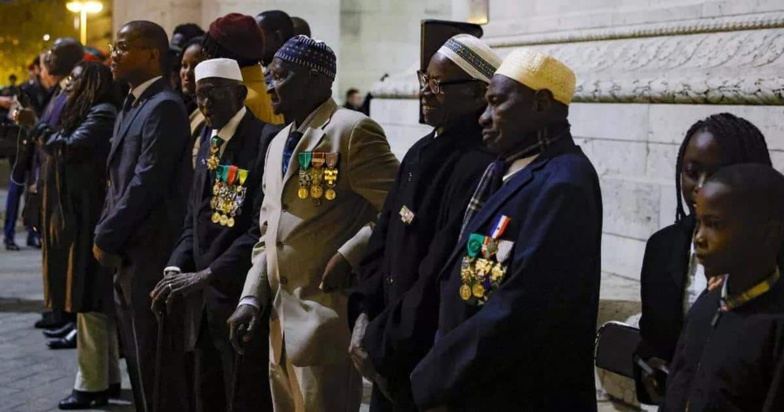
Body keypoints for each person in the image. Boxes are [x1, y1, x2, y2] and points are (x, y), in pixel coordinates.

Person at [409, 49, 602, 411]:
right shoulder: (505, 169)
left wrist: (436, 374)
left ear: (541, 103)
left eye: (496, 103)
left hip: (518, 392)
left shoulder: (564, 183)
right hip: (475, 384)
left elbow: (522, 306)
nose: (483, 118)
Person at [226, 35, 399, 412]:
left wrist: (351, 253)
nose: (270, 85)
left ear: (317, 81)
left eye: (281, 76)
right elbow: (268, 233)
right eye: (268, 76)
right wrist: (251, 297)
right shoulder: (277, 142)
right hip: (278, 323)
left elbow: (398, 209)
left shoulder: (352, 130)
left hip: (325, 318)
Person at [348, 34, 499, 412]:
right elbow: (382, 238)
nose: (425, 93)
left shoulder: (479, 164)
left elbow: (439, 269)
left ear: (478, 93)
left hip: (420, 350)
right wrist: (365, 311)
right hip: (386, 336)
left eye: (438, 85)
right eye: (424, 80)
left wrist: (386, 341)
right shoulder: (419, 151)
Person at [150, 58, 280, 412]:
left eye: (213, 94)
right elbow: (196, 215)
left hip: (238, 293)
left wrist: (208, 275)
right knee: (205, 393)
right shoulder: (209, 136)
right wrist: (176, 269)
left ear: (239, 93)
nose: (204, 104)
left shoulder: (266, 141)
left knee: (243, 394)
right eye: (198, 95)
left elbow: (259, 230)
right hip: (202, 298)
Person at [635, 112, 780, 404]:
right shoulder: (664, 248)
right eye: (691, 171)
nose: (700, 186)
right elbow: (655, 338)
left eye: (716, 174)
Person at [93, 20, 191, 412]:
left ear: (152, 54)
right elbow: (115, 181)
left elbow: (146, 182)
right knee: (136, 359)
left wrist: (106, 235)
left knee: (156, 367)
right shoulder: (134, 103)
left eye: (122, 47)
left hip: (150, 253)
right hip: (128, 255)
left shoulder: (164, 107)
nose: (112, 55)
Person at [31, 60, 122, 409]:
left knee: (89, 301)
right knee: (92, 304)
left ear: (92, 84)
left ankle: (91, 385)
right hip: (80, 217)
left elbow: (68, 147)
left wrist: (35, 127)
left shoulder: (101, 113)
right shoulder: (93, 111)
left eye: (75, 79)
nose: (68, 84)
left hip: (88, 219)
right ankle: (107, 377)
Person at [662, 164, 784, 411]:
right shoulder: (706, 307)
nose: (699, 238)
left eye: (714, 225)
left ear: (767, 235)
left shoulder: (776, 326)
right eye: (699, 223)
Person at [14, 38, 84, 330]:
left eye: (53, 54)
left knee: (62, 254)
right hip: (45, 180)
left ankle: (65, 313)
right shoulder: (59, 90)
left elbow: (62, 138)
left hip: (62, 186)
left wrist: (33, 124)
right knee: (51, 253)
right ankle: (56, 308)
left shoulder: (73, 91)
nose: (47, 59)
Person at [203, 13, 284, 125]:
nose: (205, 60)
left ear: (220, 57)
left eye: (208, 53)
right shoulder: (266, 92)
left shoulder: (238, 101)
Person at [179, 36, 207, 169]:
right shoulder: (187, 105)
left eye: (196, 66)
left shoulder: (210, 113)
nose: (187, 73)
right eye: (184, 66)